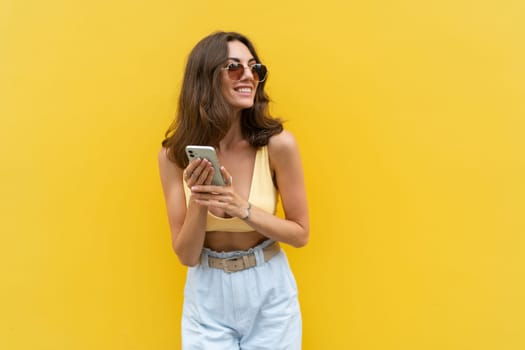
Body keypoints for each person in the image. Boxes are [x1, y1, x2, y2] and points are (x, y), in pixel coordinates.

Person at [158, 31, 309, 350]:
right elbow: (186, 255)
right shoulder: (173, 155)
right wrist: (200, 198)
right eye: (234, 67)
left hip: (269, 290)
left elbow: (300, 234)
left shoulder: (278, 146)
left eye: (254, 68)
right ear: (206, 77)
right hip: (207, 291)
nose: (248, 76)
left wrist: (243, 208)